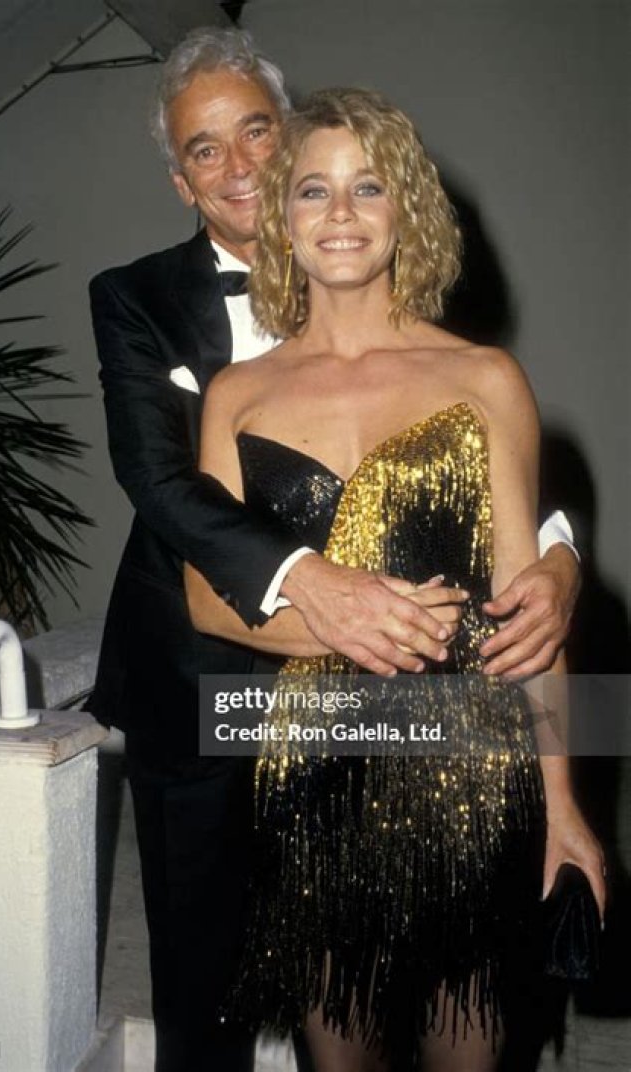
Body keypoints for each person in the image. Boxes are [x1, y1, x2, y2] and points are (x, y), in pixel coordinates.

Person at [88, 28, 581, 1072]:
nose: (238, 166)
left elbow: (498, 529)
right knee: (216, 998)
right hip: (243, 712)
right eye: (204, 149)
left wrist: (561, 563)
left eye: (254, 132)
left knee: (467, 1023)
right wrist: (327, 598)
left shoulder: (467, 363)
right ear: (185, 180)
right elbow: (165, 497)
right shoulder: (153, 317)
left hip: (456, 752)